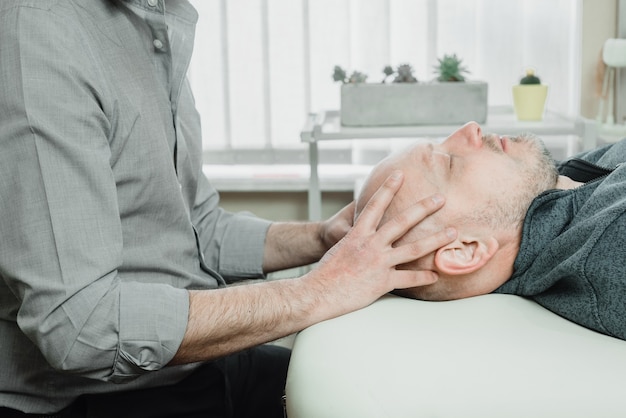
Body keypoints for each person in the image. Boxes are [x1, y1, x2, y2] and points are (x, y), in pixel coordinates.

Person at [0, 1, 458, 417]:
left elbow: (196, 228)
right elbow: (80, 326)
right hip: (88, 398)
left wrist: (322, 238)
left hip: (194, 367)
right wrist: (317, 292)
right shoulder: (42, 34)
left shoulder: (153, 27)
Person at [356, 121, 626, 341]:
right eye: (450, 161)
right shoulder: (610, 244)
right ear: (465, 251)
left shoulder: (544, 183)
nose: (471, 128)